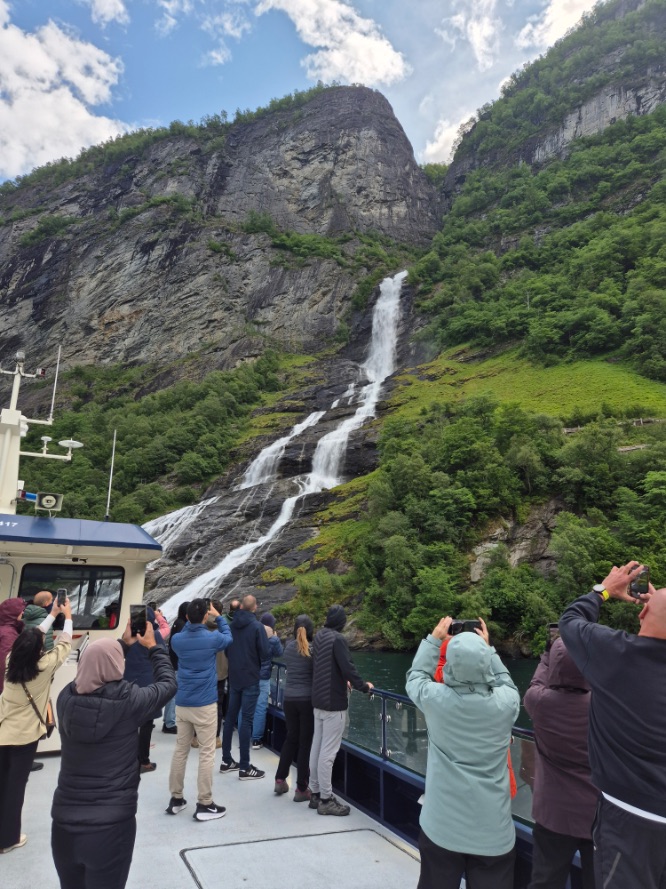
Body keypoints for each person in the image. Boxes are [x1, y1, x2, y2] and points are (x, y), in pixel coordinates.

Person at [558, 560, 666, 889]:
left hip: (629, 818)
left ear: (642, 614)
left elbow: (570, 620)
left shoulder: (615, 655)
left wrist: (604, 590)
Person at [51, 619, 175, 889]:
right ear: (118, 667)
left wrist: (122, 643)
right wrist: (153, 647)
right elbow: (168, 683)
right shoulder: (129, 702)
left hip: (63, 825)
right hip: (110, 826)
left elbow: (94, 668)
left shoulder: (64, 699)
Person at [406, 616, 519, 889]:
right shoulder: (506, 704)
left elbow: (416, 678)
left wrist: (434, 639)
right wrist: (487, 649)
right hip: (493, 833)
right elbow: (505, 681)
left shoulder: (436, 700)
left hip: (441, 828)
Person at [523, 637, 597, 889]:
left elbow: (536, 683)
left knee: (545, 881)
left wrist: (547, 655)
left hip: (553, 813)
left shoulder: (539, 702)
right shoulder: (606, 707)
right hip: (598, 815)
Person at [0, 597, 72, 854]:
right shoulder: (42, 667)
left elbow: (32, 637)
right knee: (15, 788)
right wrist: (68, 616)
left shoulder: (11, 660)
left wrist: (52, 614)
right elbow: (64, 644)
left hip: (2, 730)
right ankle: (7, 839)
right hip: (24, 737)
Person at [167, 598, 231, 820]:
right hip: (205, 704)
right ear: (205, 616)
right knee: (206, 753)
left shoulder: (177, 640)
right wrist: (219, 616)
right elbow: (228, 637)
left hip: (183, 702)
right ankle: (204, 803)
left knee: (180, 751)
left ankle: (176, 798)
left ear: (186, 617)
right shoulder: (212, 638)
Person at [309, 604, 373, 816]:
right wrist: (364, 687)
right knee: (328, 752)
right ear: (341, 622)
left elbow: (326, 667)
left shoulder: (319, 636)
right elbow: (348, 668)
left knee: (316, 748)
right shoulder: (338, 639)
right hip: (333, 703)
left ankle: (315, 793)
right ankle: (326, 800)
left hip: (317, 699)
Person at [220, 594, 270, 780]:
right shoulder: (257, 627)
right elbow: (265, 653)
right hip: (250, 677)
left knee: (230, 717)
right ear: (254, 608)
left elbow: (227, 649)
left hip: (234, 678)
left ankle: (226, 760)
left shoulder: (232, 626)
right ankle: (245, 767)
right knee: (247, 721)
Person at [274, 614, 315, 801]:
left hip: (289, 699)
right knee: (305, 743)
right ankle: (301, 788)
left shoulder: (288, 648)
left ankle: (280, 779)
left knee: (291, 738)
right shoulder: (313, 650)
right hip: (307, 700)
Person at [123, 606, 165, 772]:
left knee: (129, 723)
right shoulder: (154, 635)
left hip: (129, 683)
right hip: (149, 684)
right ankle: (143, 761)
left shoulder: (127, 636)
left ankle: (128, 759)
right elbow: (162, 655)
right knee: (147, 725)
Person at [252, 612, 283, 750]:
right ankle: (256, 740)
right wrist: (276, 637)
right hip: (263, 677)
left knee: (245, 707)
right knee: (260, 708)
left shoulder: (253, 631)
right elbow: (279, 653)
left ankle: (243, 734)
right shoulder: (273, 639)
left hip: (249, 674)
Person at [162, 601, 189, 734]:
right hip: (177, 664)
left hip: (172, 662)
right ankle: (169, 723)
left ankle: (168, 720)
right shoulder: (182, 625)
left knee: (172, 693)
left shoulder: (177, 623)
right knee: (174, 694)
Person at [0, 598, 25, 694]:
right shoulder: (10, 634)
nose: (23, 613)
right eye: (21, 611)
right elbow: (5, 661)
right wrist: (5, 688)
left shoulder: (3, 628)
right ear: (13, 614)